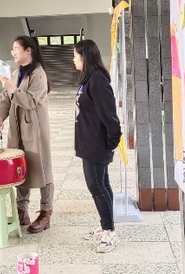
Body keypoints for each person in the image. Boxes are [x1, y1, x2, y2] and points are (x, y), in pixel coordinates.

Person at [0, 35, 54, 234]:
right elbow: (6, 100)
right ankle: (21, 210)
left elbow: (30, 102)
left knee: (43, 167)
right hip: (16, 128)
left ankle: (46, 212)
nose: (13, 52)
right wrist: (0, 119)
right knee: (20, 167)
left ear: (29, 51)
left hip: (35, 129)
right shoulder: (15, 73)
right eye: (12, 49)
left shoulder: (38, 74)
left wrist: (12, 89)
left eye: (16, 49)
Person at [73, 39, 122, 253]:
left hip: (96, 144)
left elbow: (110, 116)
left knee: (96, 186)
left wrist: (112, 141)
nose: (73, 60)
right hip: (88, 142)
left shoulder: (98, 81)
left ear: (85, 57)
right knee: (103, 184)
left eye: (75, 56)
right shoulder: (88, 80)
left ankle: (110, 231)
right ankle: (106, 225)